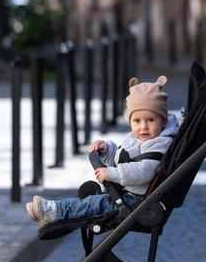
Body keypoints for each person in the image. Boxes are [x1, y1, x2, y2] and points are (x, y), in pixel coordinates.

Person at [26, 75, 179, 225]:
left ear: (163, 120)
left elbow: (144, 170)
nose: (143, 126)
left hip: (135, 199)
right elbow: (121, 157)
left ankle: (56, 211)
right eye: (137, 121)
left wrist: (112, 173)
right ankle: (54, 212)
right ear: (130, 121)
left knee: (94, 204)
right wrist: (106, 149)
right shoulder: (136, 138)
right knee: (92, 201)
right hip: (126, 192)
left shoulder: (160, 143)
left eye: (151, 120)